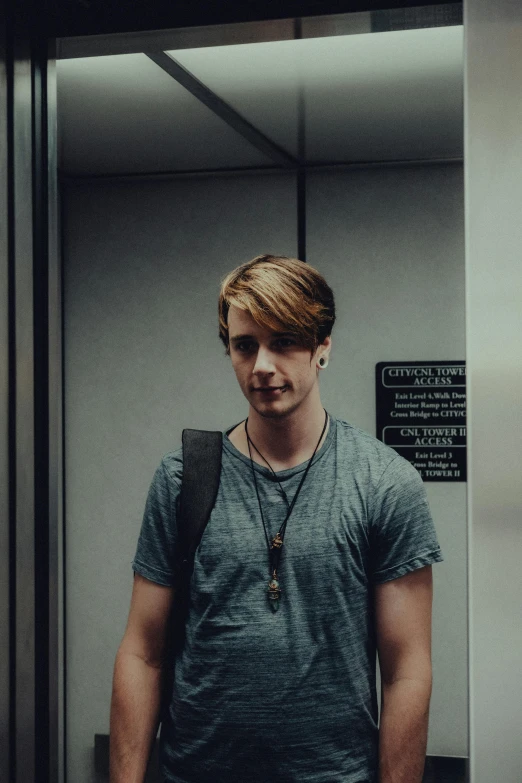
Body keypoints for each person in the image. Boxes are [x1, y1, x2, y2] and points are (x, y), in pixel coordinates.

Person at [109, 254, 443, 783]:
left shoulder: (384, 482)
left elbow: (406, 670)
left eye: (284, 341)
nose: (262, 363)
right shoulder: (184, 478)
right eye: (245, 345)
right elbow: (142, 652)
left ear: (322, 348)